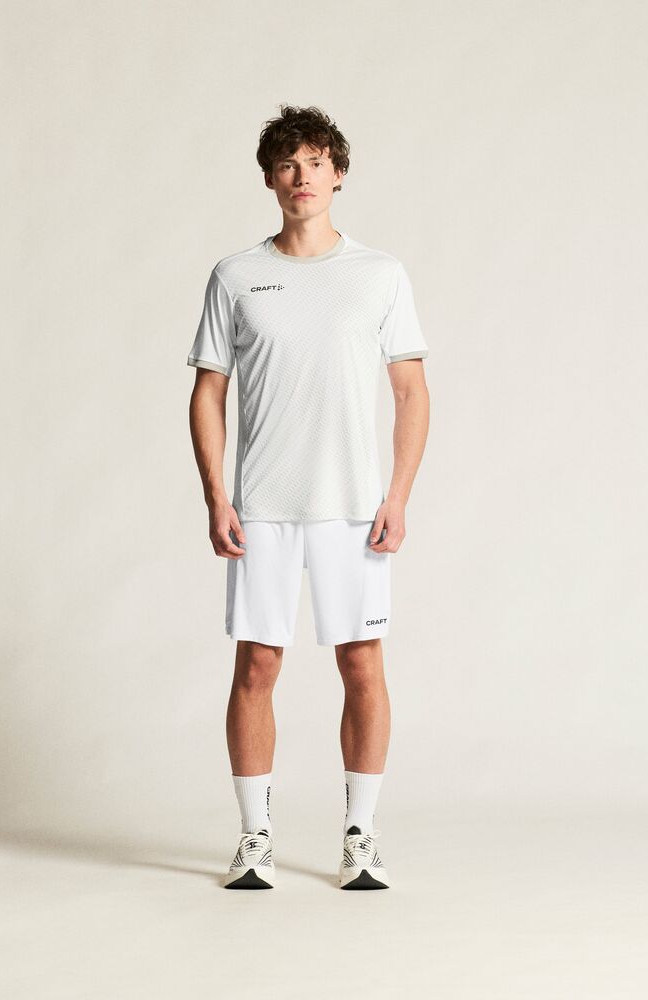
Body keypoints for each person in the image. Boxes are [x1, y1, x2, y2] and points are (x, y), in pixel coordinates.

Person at [187, 104, 430, 890]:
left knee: (362, 663)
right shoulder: (235, 275)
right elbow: (209, 392)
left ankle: (361, 837)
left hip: (354, 507)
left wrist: (397, 495)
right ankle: (254, 838)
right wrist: (216, 495)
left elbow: (411, 391)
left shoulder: (380, 274)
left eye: (316, 162)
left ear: (339, 174)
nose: (303, 177)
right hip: (262, 507)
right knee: (257, 665)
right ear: (270, 178)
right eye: (288, 164)